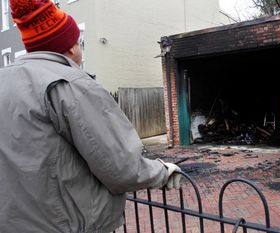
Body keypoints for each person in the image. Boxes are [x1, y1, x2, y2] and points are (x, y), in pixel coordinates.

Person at [0, 0, 181, 232]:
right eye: (79, 43)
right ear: (70, 48)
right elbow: (121, 167)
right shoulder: (71, 85)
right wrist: (162, 172)